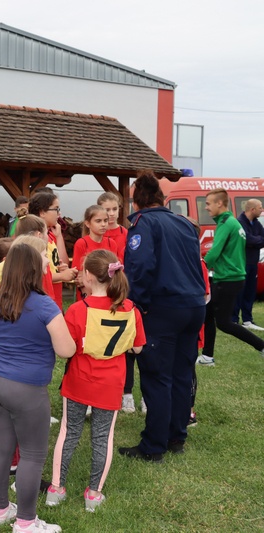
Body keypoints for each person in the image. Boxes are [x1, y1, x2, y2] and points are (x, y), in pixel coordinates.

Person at [0, 243, 75, 532]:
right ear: (35, 271)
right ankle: (25, 522)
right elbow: (66, 350)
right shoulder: (45, 305)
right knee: (33, 455)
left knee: (1, 448)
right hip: (27, 388)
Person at [46, 250, 145, 512]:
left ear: (88, 275)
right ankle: (94, 494)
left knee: (68, 432)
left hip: (79, 380)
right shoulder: (131, 309)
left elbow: (67, 347)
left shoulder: (78, 309)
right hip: (111, 384)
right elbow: (138, 348)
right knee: (103, 437)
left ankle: (56, 489)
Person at [118, 170, 206, 462]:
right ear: (161, 197)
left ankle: (154, 446)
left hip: (163, 308)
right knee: (181, 374)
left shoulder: (144, 223)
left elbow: (139, 267)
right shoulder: (183, 222)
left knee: (157, 377)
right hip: (193, 305)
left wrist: (136, 304)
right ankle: (176, 436)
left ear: (137, 200)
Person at [198, 189, 264, 366]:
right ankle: (207, 357)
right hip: (228, 277)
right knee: (207, 314)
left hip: (228, 279)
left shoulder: (226, 223)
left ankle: (261, 345)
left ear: (219, 203)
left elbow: (214, 252)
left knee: (224, 323)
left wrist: (198, 267)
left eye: (208, 204)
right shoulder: (231, 221)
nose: (206, 208)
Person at [28, 193, 77, 309]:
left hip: (55, 297)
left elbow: (64, 261)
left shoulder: (50, 235)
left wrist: (59, 236)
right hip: (43, 300)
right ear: (42, 212)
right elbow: (36, 274)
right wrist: (61, 276)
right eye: (56, 209)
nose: (59, 213)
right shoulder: (34, 239)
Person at [71, 205, 119, 300]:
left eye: (105, 220)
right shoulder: (82, 243)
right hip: (87, 293)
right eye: (98, 221)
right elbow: (79, 274)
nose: (103, 224)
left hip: (108, 292)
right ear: (87, 223)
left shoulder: (111, 243)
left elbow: (115, 270)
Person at [233, 198, 264, 329]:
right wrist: (256, 241)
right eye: (260, 207)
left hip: (253, 262)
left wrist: (254, 241)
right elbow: (246, 239)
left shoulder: (257, 223)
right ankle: (233, 320)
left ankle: (247, 320)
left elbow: (261, 239)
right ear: (252, 209)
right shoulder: (239, 222)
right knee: (239, 291)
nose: (262, 210)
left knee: (250, 292)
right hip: (242, 262)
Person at [98, 192, 127, 261]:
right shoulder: (95, 233)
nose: (112, 213)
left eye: (115, 209)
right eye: (107, 210)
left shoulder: (126, 233)